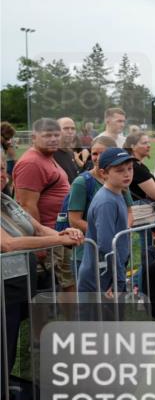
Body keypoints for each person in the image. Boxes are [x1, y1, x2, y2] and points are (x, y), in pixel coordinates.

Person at [1, 164, 84, 392]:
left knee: (12, 343)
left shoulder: (6, 201)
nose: (1, 174)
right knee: (3, 345)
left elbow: (37, 229)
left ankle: (8, 391)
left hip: (20, 283)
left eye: (2, 168)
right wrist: (58, 240)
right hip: (4, 288)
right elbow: (7, 244)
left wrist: (65, 234)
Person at [13, 118, 73, 291]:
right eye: (47, 135)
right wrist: (39, 244)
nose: (53, 139)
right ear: (34, 137)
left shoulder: (47, 157)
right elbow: (26, 206)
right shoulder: (32, 163)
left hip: (57, 233)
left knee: (65, 283)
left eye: (56, 135)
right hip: (47, 237)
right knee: (52, 288)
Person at [63, 135, 135, 275]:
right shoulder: (82, 182)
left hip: (116, 249)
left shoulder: (119, 179)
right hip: (88, 253)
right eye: (94, 153)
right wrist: (105, 233)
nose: (97, 158)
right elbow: (74, 220)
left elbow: (129, 212)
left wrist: (121, 232)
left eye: (103, 153)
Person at [77, 148, 133, 295]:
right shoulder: (106, 202)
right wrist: (118, 280)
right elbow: (106, 246)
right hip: (101, 277)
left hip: (109, 272)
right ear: (103, 173)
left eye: (130, 168)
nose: (127, 174)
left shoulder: (117, 193)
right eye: (119, 170)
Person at [124, 132, 155, 227]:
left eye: (149, 142)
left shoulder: (138, 165)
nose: (149, 145)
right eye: (144, 143)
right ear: (133, 146)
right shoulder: (135, 167)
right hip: (142, 213)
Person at [54, 117, 81, 184]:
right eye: (66, 128)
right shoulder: (50, 154)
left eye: (73, 128)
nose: (70, 131)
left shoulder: (71, 153)